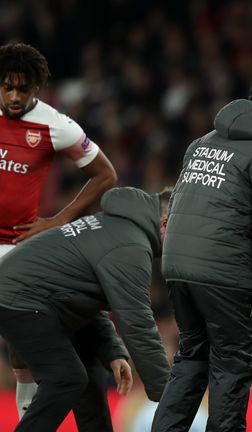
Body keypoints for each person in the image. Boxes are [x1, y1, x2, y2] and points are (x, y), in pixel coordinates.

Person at [153, 77, 252, 432]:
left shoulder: (201, 143)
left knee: (191, 358)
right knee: (233, 365)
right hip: (225, 273)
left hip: (177, 265)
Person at [0, 41, 122, 427]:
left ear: (36, 87)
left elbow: (106, 175)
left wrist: (58, 220)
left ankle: (26, 420)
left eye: (24, 88)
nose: (15, 96)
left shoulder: (57, 125)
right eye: (7, 87)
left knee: (26, 339)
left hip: (14, 247)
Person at [0, 186, 172, 431]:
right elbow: (138, 325)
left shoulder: (115, 226)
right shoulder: (130, 246)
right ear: (164, 224)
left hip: (42, 298)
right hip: (22, 298)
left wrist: (112, 351)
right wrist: (170, 398)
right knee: (66, 378)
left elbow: (83, 296)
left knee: (89, 374)